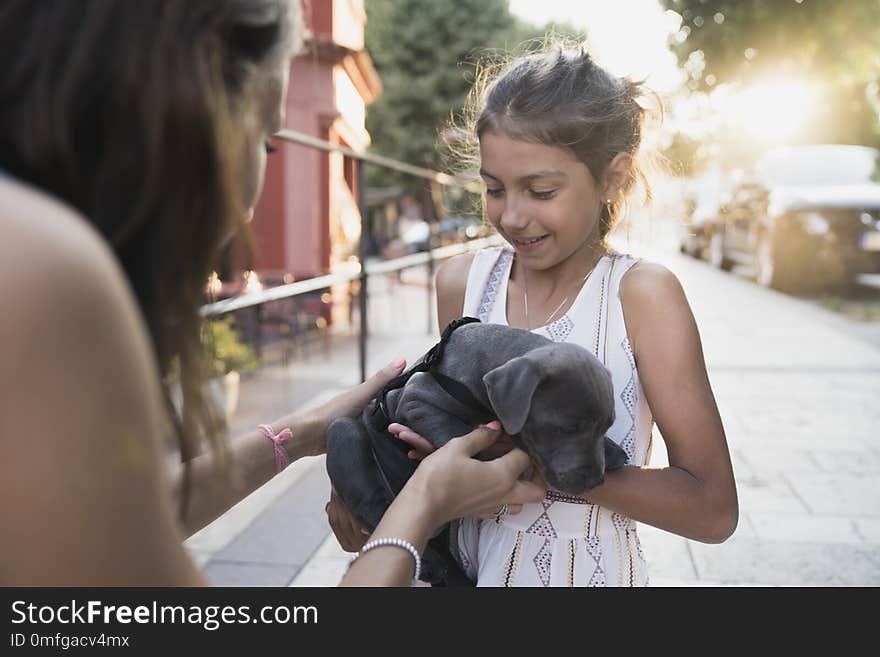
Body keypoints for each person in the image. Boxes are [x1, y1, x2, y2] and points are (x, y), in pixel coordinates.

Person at [0, 0, 543, 587]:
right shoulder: (39, 270)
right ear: (204, 89)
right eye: (265, 140)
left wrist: (305, 431)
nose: (250, 204)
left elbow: (112, 525)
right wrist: (425, 501)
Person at [329, 44, 738, 587]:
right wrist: (365, 482)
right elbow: (434, 426)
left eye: (541, 191)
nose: (513, 216)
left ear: (612, 177)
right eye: (494, 189)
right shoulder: (462, 283)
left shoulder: (641, 295)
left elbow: (712, 509)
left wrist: (536, 462)